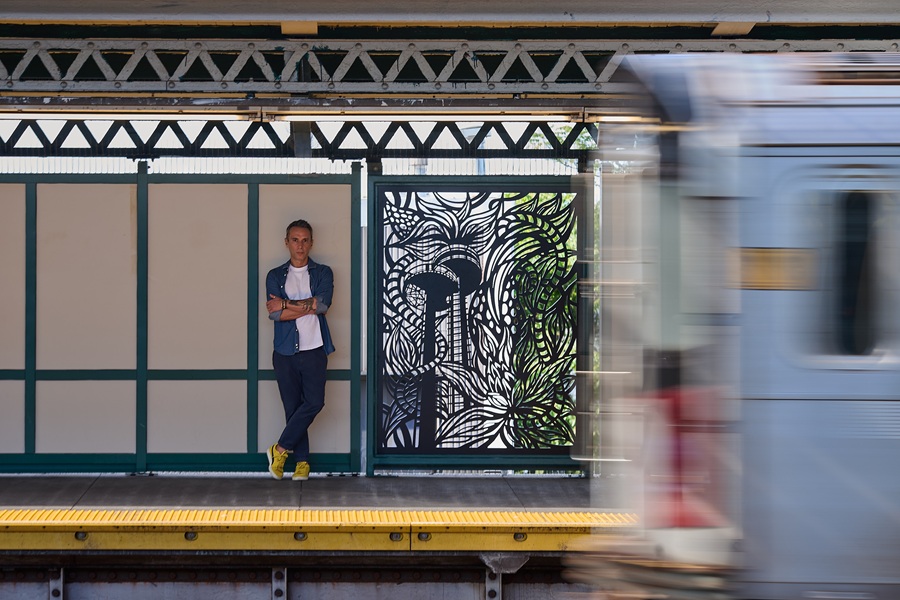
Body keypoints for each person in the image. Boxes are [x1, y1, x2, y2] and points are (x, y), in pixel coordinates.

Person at [264, 219, 335, 480]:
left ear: (311, 243)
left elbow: (323, 305)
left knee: (314, 403)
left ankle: (279, 449)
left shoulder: (323, 273)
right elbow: (275, 316)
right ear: (287, 243)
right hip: (284, 352)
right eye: (295, 240)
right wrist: (306, 305)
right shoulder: (274, 275)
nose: (300, 245)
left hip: (315, 349)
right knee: (293, 408)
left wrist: (286, 304)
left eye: (305, 240)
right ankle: (301, 463)